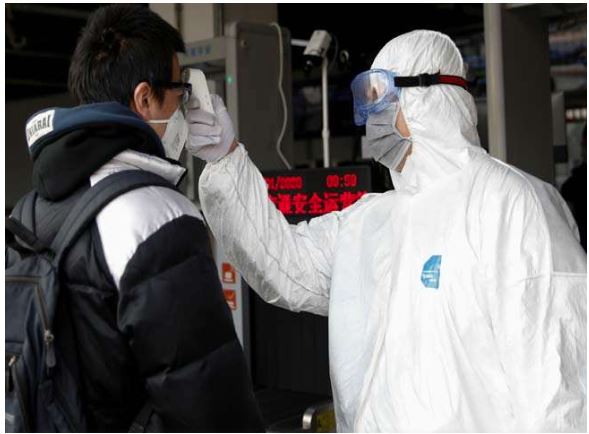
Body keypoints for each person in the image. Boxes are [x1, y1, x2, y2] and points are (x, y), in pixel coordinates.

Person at [188, 30, 587, 431]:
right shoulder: (371, 220)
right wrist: (226, 161)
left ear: (425, 98)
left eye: (380, 99)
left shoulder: (512, 206)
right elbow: (285, 264)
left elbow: (559, 389)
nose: (370, 119)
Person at [11, 5, 263, 432]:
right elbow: (207, 399)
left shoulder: (28, 210)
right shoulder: (156, 214)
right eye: (181, 92)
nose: (186, 107)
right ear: (145, 98)